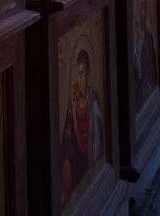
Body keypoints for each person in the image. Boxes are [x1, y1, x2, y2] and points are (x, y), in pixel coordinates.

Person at [59, 49, 104, 206]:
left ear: (88, 74)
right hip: (78, 164)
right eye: (78, 74)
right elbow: (68, 137)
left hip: (92, 159)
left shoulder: (94, 102)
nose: (80, 78)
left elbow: (99, 139)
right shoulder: (73, 106)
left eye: (83, 73)